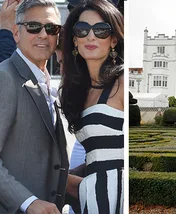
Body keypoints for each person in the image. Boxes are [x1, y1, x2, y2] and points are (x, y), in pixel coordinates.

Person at [0, 0, 69, 213]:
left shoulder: (47, 81)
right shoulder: (5, 77)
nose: (42, 34)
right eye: (33, 27)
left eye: (51, 28)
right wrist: (28, 202)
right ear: (16, 33)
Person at [59, 0, 124, 213]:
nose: (91, 36)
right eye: (82, 30)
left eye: (101, 30)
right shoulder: (77, 91)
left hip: (119, 197)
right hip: (92, 197)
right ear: (74, 40)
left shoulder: (121, 82)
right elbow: (97, 156)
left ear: (113, 40)